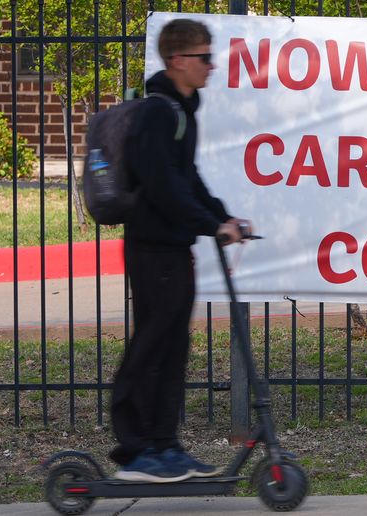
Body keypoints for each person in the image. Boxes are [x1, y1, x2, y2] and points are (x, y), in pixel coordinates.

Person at [109, 18, 248, 483]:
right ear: (177, 61)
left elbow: (188, 179)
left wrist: (222, 217)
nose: (211, 66)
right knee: (153, 342)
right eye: (203, 57)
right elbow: (162, 185)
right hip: (152, 249)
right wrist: (209, 224)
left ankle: (165, 445)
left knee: (173, 345)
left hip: (172, 247)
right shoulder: (156, 113)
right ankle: (135, 449)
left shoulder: (181, 111)